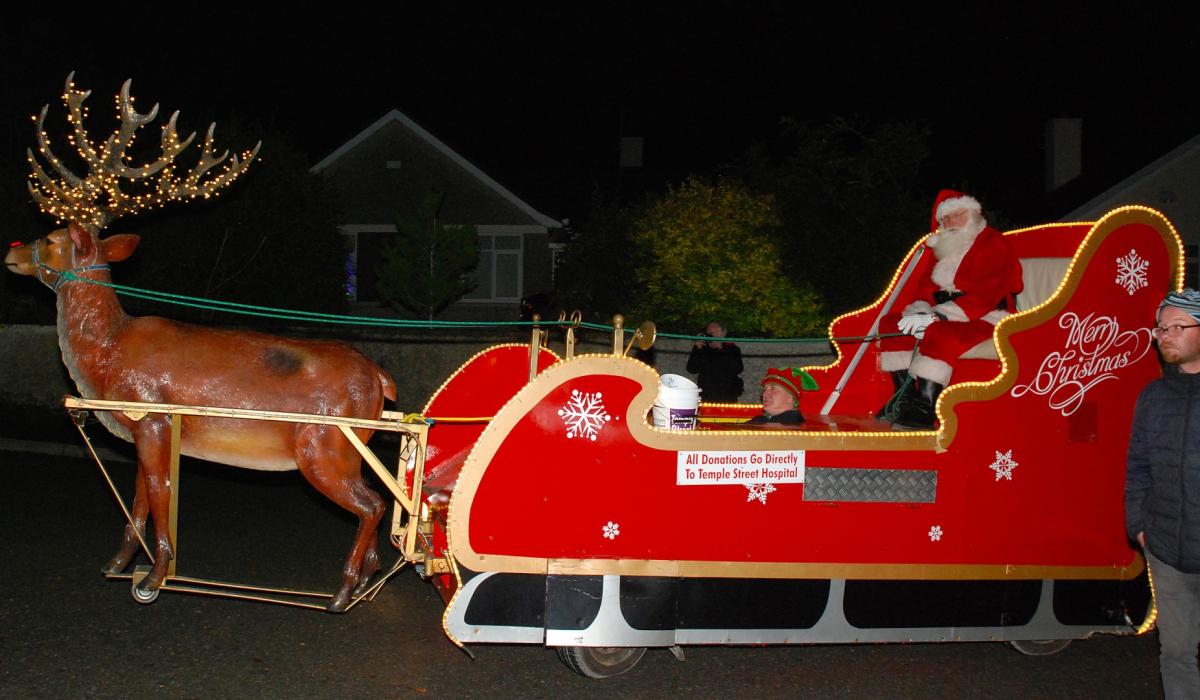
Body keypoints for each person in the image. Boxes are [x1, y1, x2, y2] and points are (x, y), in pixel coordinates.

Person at [877, 189, 1023, 429]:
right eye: (945, 219)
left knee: (940, 333)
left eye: (958, 215)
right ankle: (903, 397)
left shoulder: (994, 243)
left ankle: (926, 405)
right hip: (947, 314)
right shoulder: (944, 249)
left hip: (989, 317)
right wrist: (920, 311)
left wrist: (938, 317)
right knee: (892, 325)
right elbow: (926, 287)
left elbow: (988, 294)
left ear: (974, 214)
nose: (951, 222)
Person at [1125, 289, 1200, 699]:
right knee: (1176, 654)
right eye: (1160, 328)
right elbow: (1138, 468)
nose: (1164, 336)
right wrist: (1139, 525)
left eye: (1176, 327)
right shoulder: (1154, 397)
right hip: (1168, 551)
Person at [686, 321, 744, 403]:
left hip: (727, 395)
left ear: (723, 333)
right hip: (706, 395)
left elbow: (738, 368)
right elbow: (691, 369)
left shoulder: (732, 349)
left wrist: (721, 348)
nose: (710, 336)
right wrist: (697, 348)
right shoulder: (702, 349)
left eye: (713, 333)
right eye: (708, 333)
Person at [748, 367, 817, 425]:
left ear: (790, 397)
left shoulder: (794, 425)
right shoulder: (760, 421)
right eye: (765, 390)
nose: (764, 394)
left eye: (773, 388)